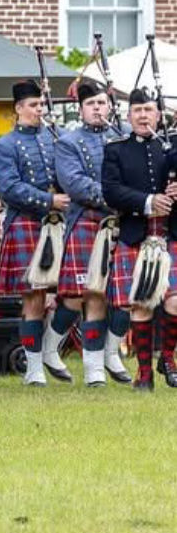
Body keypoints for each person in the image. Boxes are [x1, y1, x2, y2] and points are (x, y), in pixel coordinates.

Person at [0, 79, 70, 386]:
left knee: (74, 294)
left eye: (41, 104)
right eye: (34, 105)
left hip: (60, 223)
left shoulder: (57, 138)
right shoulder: (4, 145)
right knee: (34, 297)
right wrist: (49, 200)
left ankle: (50, 348)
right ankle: (34, 367)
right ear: (19, 108)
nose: (39, 110)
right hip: (26, 222)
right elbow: (8, 188)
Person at [54, 81, 131, 386]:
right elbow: (75, 185)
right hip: (88, 221)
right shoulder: (68, 142)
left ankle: (111, 353)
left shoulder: (123, 136)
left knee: (127, 296)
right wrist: (120, 196)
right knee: (93, 295)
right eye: (91, 104)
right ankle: (93, 367)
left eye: (101, 102)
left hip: (125, 223)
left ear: (110, 105)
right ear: (81, 109)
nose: (97, 108)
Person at [101, 88, 177, 391]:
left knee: (175, 303)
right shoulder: (116, 149)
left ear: (157, 115)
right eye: (137, 111)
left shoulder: (171, 148)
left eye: (148, 110)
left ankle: (167, 358)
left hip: (170, 234)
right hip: (136, 236)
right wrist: (147, 201)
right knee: (142, 306)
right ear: (128, 115)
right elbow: (110, 190)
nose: (143, 116)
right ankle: (144, 375)